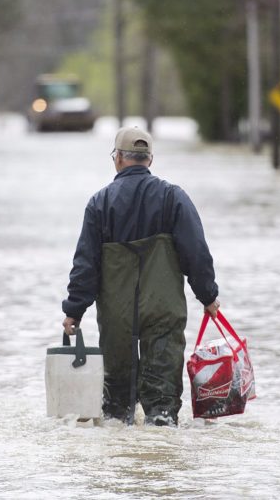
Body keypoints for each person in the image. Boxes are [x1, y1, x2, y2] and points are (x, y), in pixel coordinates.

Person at [62, 127, 220, 426]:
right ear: (150, 160)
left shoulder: (100, 203)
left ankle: (122, 464)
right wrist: (208, 296)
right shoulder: (174, 198)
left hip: (116, 317)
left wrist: (74, 311)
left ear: (118, 159)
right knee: (162, 407)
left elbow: (85, 266)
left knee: (116, 412)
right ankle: (159, 459)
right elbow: (196, 253)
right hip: (163, 311)